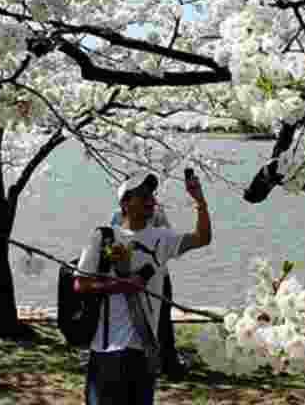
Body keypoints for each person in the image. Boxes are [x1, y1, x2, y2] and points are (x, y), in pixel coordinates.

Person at [74, 169, 212, 405]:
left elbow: (202, 237)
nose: (151, 201)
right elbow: (80, 284)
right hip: (105, 349)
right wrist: (121, 285)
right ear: (125, 202)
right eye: (143, 195)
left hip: (143, 349)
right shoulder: (104, 236)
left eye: (152, 196)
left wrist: (199, 200)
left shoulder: (162, 238)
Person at [109, 175, 187, 379]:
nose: (147, 198)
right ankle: (135, 360)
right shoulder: (117, 217)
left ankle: (169, 361)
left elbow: (170, 238)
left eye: (148, 193)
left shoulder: (157, 213)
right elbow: (110, 248)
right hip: (129, 278)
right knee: (131, 318)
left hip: (158, 275)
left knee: (163, 318)